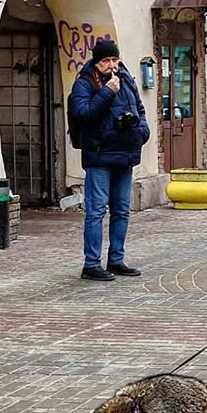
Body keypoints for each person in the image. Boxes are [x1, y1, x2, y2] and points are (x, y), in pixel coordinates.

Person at [70, 39, 151, 281]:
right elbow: (83, 114)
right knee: (96, 211)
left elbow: (140, 109)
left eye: (114, 60)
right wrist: (107, 92)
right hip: (99, 156)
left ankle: (116, 259)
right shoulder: (84, 83)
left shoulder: (126, 79)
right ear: (97, 62)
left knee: (122, 211)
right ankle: (91, 264)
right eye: (106, 61)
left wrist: (141, 132)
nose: (111, 65)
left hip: (125, 153)